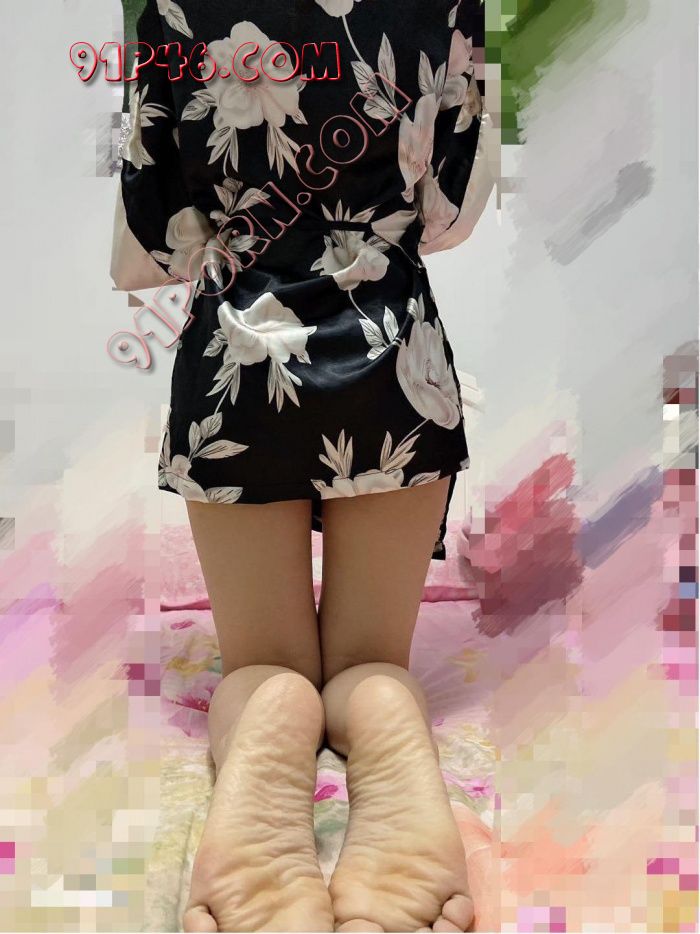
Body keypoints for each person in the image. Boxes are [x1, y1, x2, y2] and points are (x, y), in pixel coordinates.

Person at [111, 0, 497, 929]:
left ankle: (269, 715)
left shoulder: (171, 10)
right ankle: (383, 717)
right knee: (370, 664)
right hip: (395, 362)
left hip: (240, 370)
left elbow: (156, 226)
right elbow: (450, 209)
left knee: (266, 667)